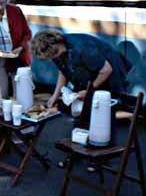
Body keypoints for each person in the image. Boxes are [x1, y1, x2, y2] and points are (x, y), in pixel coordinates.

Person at [31, 29, 132, 170]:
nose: (48, 58)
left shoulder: (82, 48)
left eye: (47, 56)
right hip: (90, 74)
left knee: (103, 116)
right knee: (82, 115)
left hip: (108, 74)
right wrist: (55, 95)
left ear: (52, 46)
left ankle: (101, 158)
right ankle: (77, 152)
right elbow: (63, 71)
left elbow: (106, 70)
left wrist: (88, 91)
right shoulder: (56, 52)